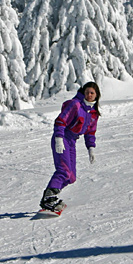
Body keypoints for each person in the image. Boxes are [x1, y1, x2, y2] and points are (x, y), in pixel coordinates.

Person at [39, 82, 101, 212]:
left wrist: (91, 148)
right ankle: (48, 198)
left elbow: (90, 132)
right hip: (62, 138)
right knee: (64, 170)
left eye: (92, 93)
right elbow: (60, 121)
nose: (89, 95)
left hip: (72, 141)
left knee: (71, 177)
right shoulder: (75, 105)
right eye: (87, 92)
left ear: (97, 95)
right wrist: (59, 139)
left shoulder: (93, 113)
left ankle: (52, 195)